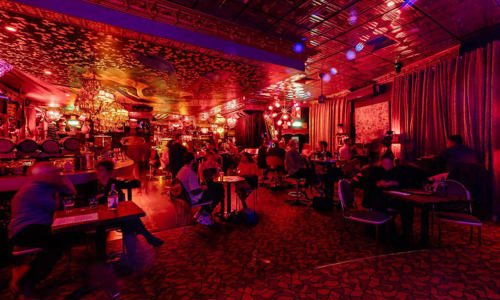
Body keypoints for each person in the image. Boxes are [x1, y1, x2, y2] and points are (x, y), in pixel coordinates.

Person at [9, 162, 77, 296]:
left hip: (34, 228)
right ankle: (25, 279)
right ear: (44, 175)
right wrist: (58, 187)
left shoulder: (46, 186)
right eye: (53, 172)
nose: (56, 174)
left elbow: (72, 192)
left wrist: (62, 178)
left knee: (63, 240)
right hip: (24, 231)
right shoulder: (34, 188)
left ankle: (25, 273)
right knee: (59, 243)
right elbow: (54, 206)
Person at [80, 160, 163, 261]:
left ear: (109, 172)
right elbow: (85, 201)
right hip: (99, 217)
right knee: (104, 228)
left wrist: (135, 177)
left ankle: (133, 255)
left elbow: (131, 186)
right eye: (97, 170)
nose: (98, 172)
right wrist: (96, 198)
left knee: (132, 219)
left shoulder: (114, 183)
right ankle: (148, 239)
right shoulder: (92, 185)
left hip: (113, 215)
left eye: (101, 170)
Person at [176, 152, 224, 224]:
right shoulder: (190, 173)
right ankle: (205, 214)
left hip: (183, 196)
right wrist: (202, 188)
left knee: (215, 188)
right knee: (219, 192)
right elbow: (195, 191)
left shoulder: (181, 171)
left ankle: (203, 213)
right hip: (192, 198)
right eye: (195, 159)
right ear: (192, 161)